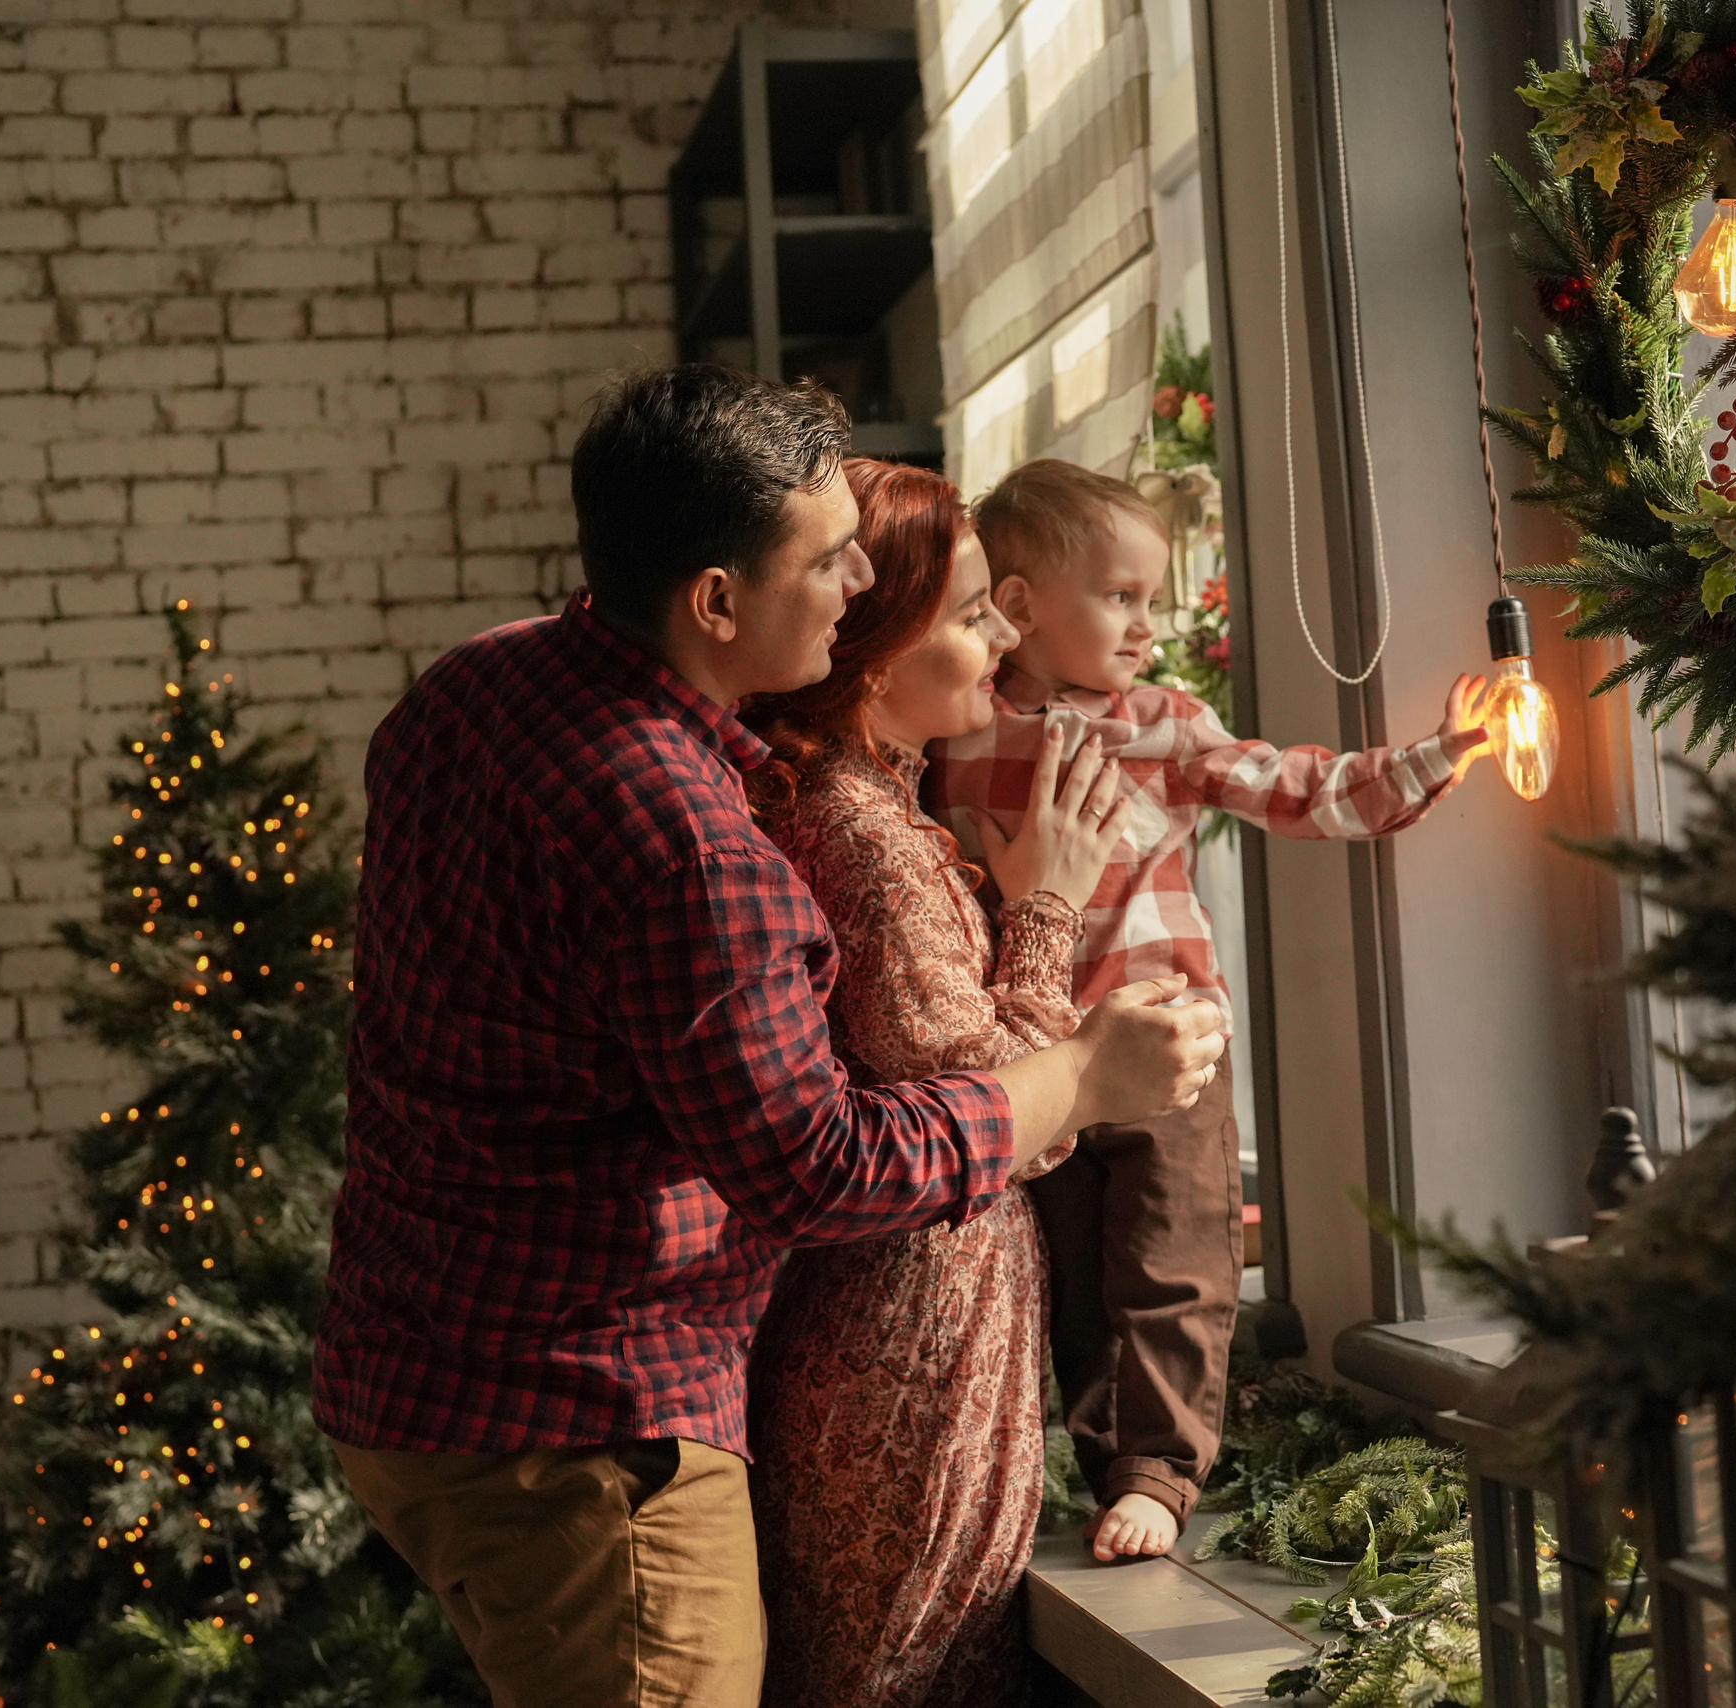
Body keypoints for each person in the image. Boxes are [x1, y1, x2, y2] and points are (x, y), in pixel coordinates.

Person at [313, 371, 1225, 1708]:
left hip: (410, 1371)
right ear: (716, 601)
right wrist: (1086, 1070)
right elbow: (826, 1172)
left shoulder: (476, 686)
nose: (861, 574)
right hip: (586, 1438)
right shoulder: (689, 840)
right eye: (827, 555)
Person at [925, 458, 1490, 1562]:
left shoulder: (1167, 725)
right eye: (1123, 596)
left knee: (1175, 1259)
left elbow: (1303, 788)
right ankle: (1106, 1463)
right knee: (1079, 1275)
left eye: (1156, 595)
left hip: (1172, 1041)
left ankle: (1160, 1468)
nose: (1150, 622)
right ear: (1024, 605)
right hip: (1040, 1057)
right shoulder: (959, 736)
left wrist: (1436, 754)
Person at [733, 459, 1118, 1706]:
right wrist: (1048, 906)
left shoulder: (867, 813)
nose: (1004, 629)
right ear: (875, 656)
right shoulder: (860, 836)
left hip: (919, 1342)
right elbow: (1007, 1108)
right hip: (906, 1361)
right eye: (967, 613)